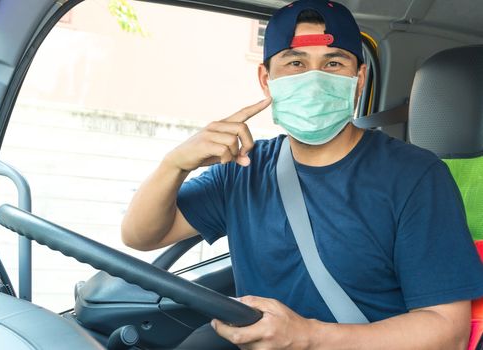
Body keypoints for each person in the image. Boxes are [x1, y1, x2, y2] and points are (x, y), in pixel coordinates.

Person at [121, 0, 483, 348]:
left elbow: (446, 332)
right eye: (295, 63)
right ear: (266, 80)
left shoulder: (417, 176)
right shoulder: (243, 169)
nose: (313, 79)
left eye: (333, 64)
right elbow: (141, 235)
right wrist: (174, 164)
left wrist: (309, 338)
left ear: (359, 79)